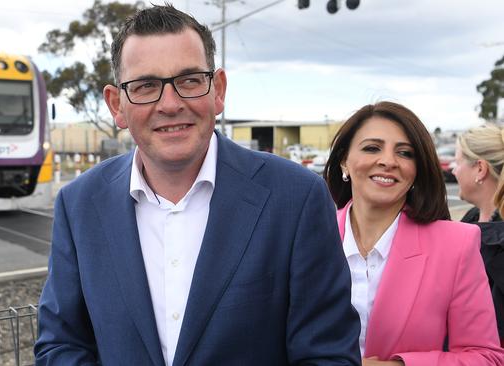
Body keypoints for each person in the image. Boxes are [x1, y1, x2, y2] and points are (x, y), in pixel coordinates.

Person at [35, 4, 360, 366]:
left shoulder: (296, 199)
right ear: (117, 105)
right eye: (145, 86)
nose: (170, 104)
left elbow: (328, 356)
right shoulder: (78, 205)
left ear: (217, 90)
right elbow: (60, 346)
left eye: (189, 80)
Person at [323, 101, 504, 365]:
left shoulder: (457, 244)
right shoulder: (305, 236)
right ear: (344, 161)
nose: (388, 161)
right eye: (372, 148)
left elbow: (486, 357)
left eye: (405, 153)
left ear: (417, 169)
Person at [453, 123, 504, 346]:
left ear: (480, 169)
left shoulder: (497, 245)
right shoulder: (473, 218)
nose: (454, 170)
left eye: (458, 162)